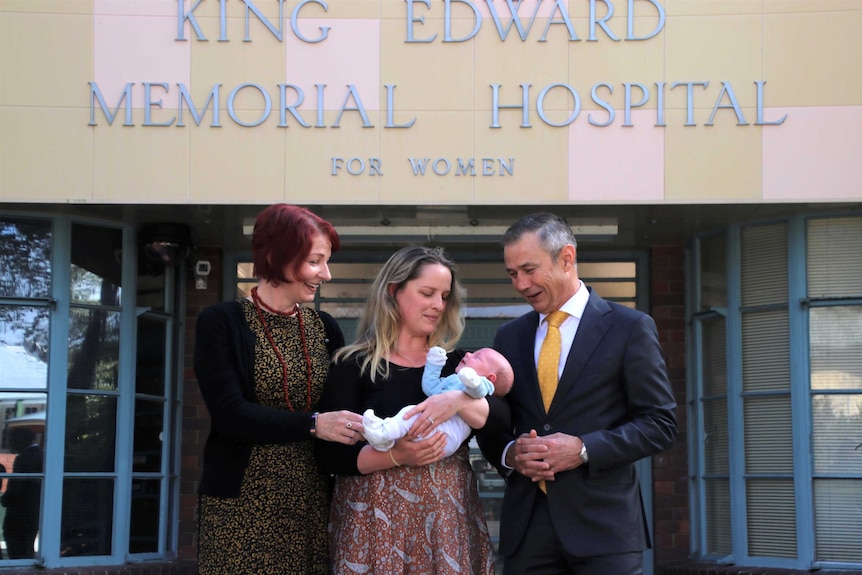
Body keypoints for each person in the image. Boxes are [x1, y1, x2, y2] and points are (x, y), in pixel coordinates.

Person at [476, 213, 678, 575]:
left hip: (605, 531)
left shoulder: (629, 327)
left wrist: (583, 449)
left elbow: (660, 423)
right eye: (512, 274)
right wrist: (510, 454)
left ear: (566, 258)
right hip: (528, 530)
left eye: (529, 269)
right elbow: (495, 424)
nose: (521, 284)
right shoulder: (508, 337)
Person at [193, 203, 365, 575]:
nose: (327, 274)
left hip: (311, 502)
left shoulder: (325, 326)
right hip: (241, 506)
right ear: (276, 255)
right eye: (315, 261)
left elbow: (348, 403)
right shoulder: (221, 322)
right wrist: (315, 424)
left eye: (327, 261)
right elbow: (229, 414)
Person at [316, 246, 508, 575]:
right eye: (427, 293)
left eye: (444, 296)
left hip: (446, 524)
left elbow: (502, 421)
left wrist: (461, 401)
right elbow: (329, 455)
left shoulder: (458, 365)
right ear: (394, 292)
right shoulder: (354, 365)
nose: (438, 305)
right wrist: (397, 456)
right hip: (374, 522)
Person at [363, 346, 514, 457]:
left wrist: (472, 384)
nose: (468, 354)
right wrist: (434, 364)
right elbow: (431, 387)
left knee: (411, 414)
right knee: (411, 416)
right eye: (473, 352)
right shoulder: (453, 380)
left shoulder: (483, 383)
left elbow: (479, 392)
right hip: (437, 430)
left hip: (448, 434)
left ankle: (384, 432)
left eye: (477, 357)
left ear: (490, 378)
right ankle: (386, 441)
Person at [1, 428, 43, 559]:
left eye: (11, 440)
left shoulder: (24, 459)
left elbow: (15, 489)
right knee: (27, 550)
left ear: (20, 439)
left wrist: (4, 500)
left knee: (17, 553)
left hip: (19, 517)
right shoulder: (42, 455)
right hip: (33, 514)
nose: (9, 444)